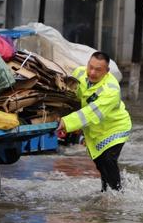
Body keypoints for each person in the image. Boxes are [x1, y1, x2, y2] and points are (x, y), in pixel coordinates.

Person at [56, 51, 131, 192]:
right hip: (95, 130)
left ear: (107, 71)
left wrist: (65, 122)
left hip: (115, 128)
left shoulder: (111, 90)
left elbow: (90, 113)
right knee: (100, 163)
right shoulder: (79, 73)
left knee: (109, 160)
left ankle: (118, 195)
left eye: (98, 70)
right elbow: (69, 91)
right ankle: (106, 194)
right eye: (90, 66)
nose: (91, 72)